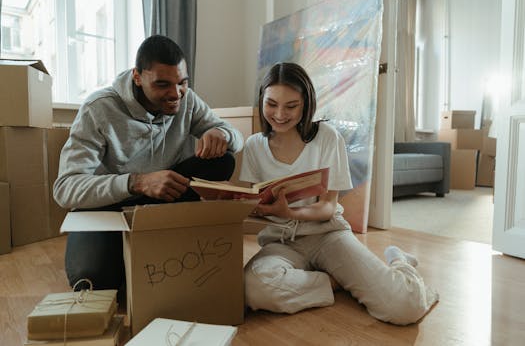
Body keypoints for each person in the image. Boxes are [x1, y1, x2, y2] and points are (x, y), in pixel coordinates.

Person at [240, 62, 439, 325]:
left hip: (327, 235)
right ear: (261, 100)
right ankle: (333, 281)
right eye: (271, 104)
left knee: (404, 307)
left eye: (291, 106)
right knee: (253, 287)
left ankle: (399, 262)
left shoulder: (326, 137)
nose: (279, 114)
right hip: (281, 242)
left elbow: (327, 207)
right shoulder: (254, 146)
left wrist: (290, 212)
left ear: (306, 103)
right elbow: (252, 202)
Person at [53, 35, 244, 292]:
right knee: (94, 279)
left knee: (223, 158)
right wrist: (137, 182)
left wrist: (222, 134)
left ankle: (160, 230)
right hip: (108, 206)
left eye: (182, 83)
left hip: (161, 197)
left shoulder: (186, 99)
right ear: (137, 77)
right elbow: (65, 189)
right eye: (163, 84)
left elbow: (235, 136)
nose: (175, 94)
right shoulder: (98, 109)